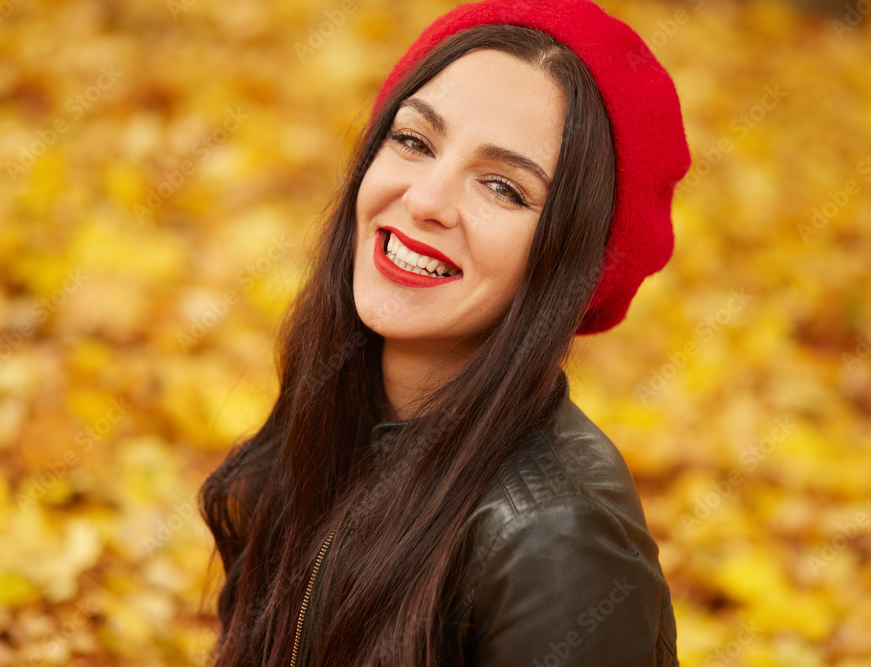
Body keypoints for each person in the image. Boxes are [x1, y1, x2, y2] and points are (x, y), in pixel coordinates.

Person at [199, 0, 690, 665]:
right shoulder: (334, 426)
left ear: (565, 261)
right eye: (415, 141)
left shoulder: (556, 542)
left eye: (502, 187)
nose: (426, 200)